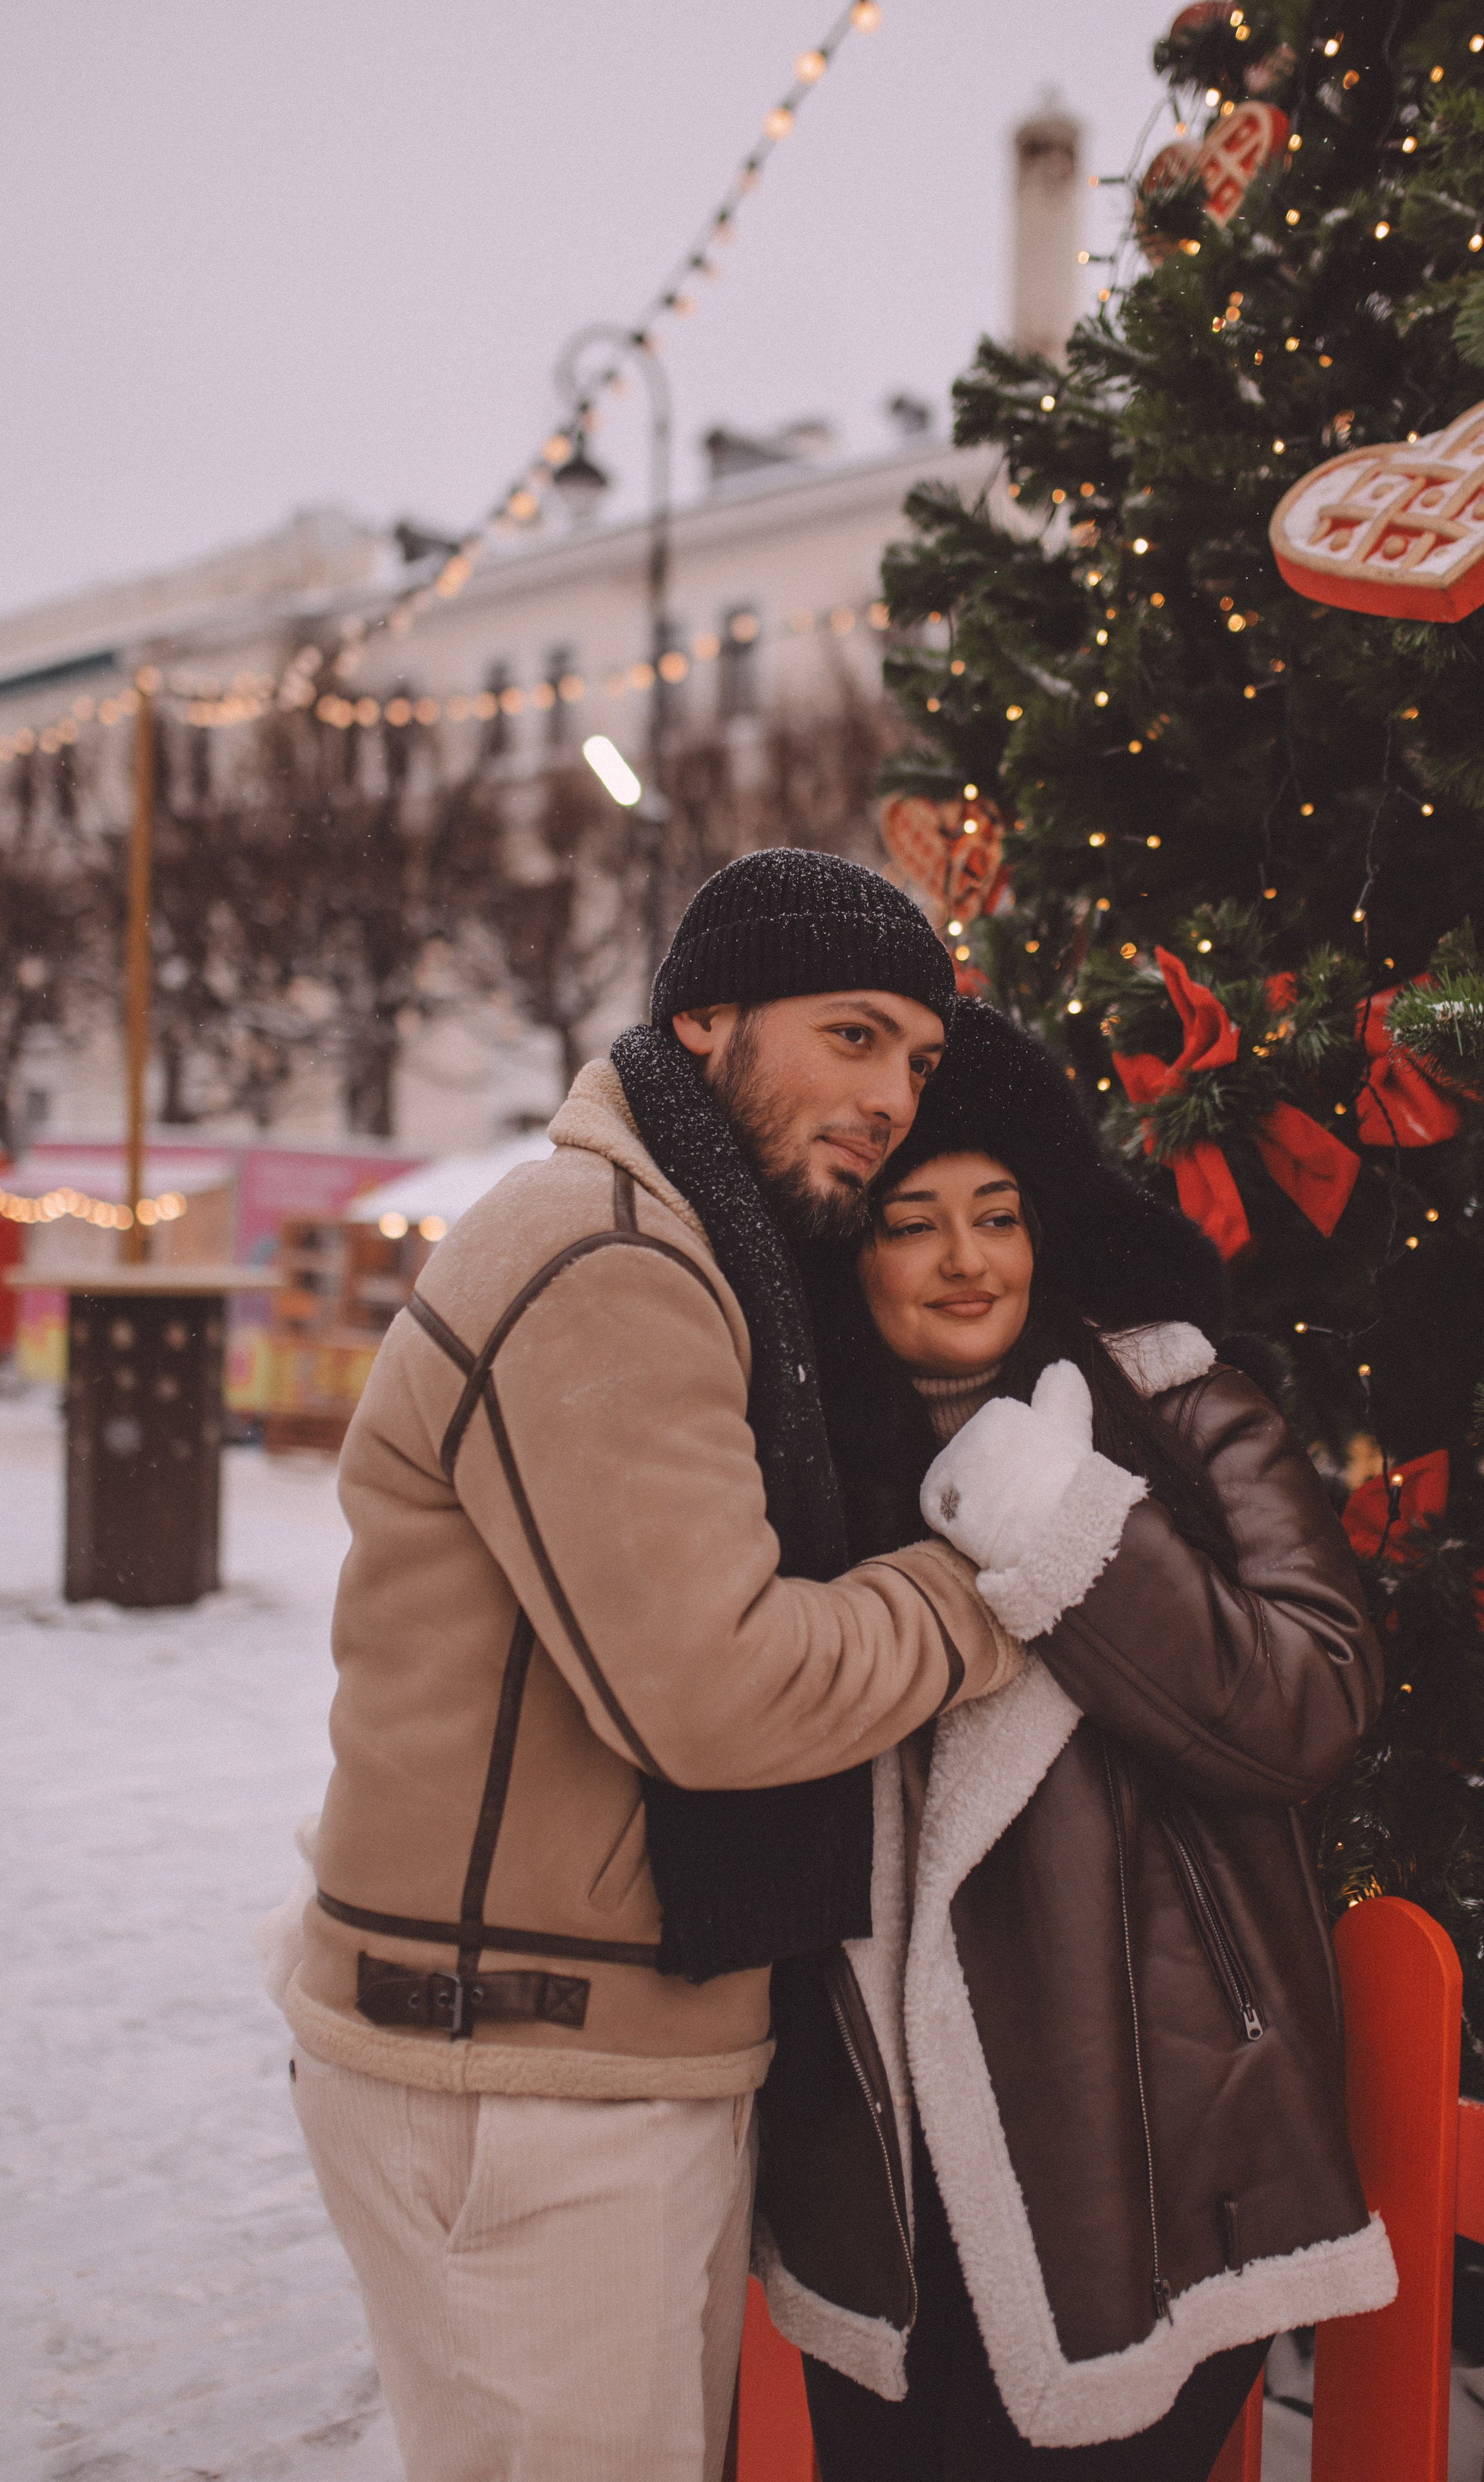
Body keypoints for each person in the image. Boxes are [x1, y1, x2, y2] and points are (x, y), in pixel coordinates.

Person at [266, 854, 1025, 2482]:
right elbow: (721, 1687)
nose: (892, 1094)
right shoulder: (605, 1255)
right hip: (523, 2075)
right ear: (704, 1018)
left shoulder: (701, 1249)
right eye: (851, 1035)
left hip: (601, 2050)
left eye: (916, 1058)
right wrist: (981, 1591)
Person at [757, 999, 1398, 2481]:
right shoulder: (790, 1471)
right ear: (851, 1252)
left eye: (998, 1213)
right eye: (913, 1222)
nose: (967, 1258)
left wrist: (1059, 1523)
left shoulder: (1181, 1411)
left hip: (1150, 2161)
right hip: (890, 2183)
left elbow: (1308, 1698)